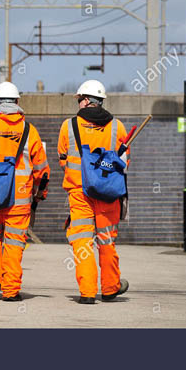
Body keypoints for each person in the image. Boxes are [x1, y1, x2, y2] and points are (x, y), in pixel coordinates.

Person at [0, 82, 50, 301]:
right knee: (14, 243)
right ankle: (11, 291)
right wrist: (41, 193)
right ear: (17, 103)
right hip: (20, 199)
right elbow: (42, 169)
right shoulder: (29, 131)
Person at [57, 79, 130, 304]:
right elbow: (125, 163)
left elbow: (62, 160)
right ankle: (109, 289)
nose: (78, 103)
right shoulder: (117, 127)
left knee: (82, 242)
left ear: (86, 100)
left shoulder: (68, 126)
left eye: (79, 99)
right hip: (108, 193)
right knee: (106, 242)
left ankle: (87, 293)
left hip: (80, 194)